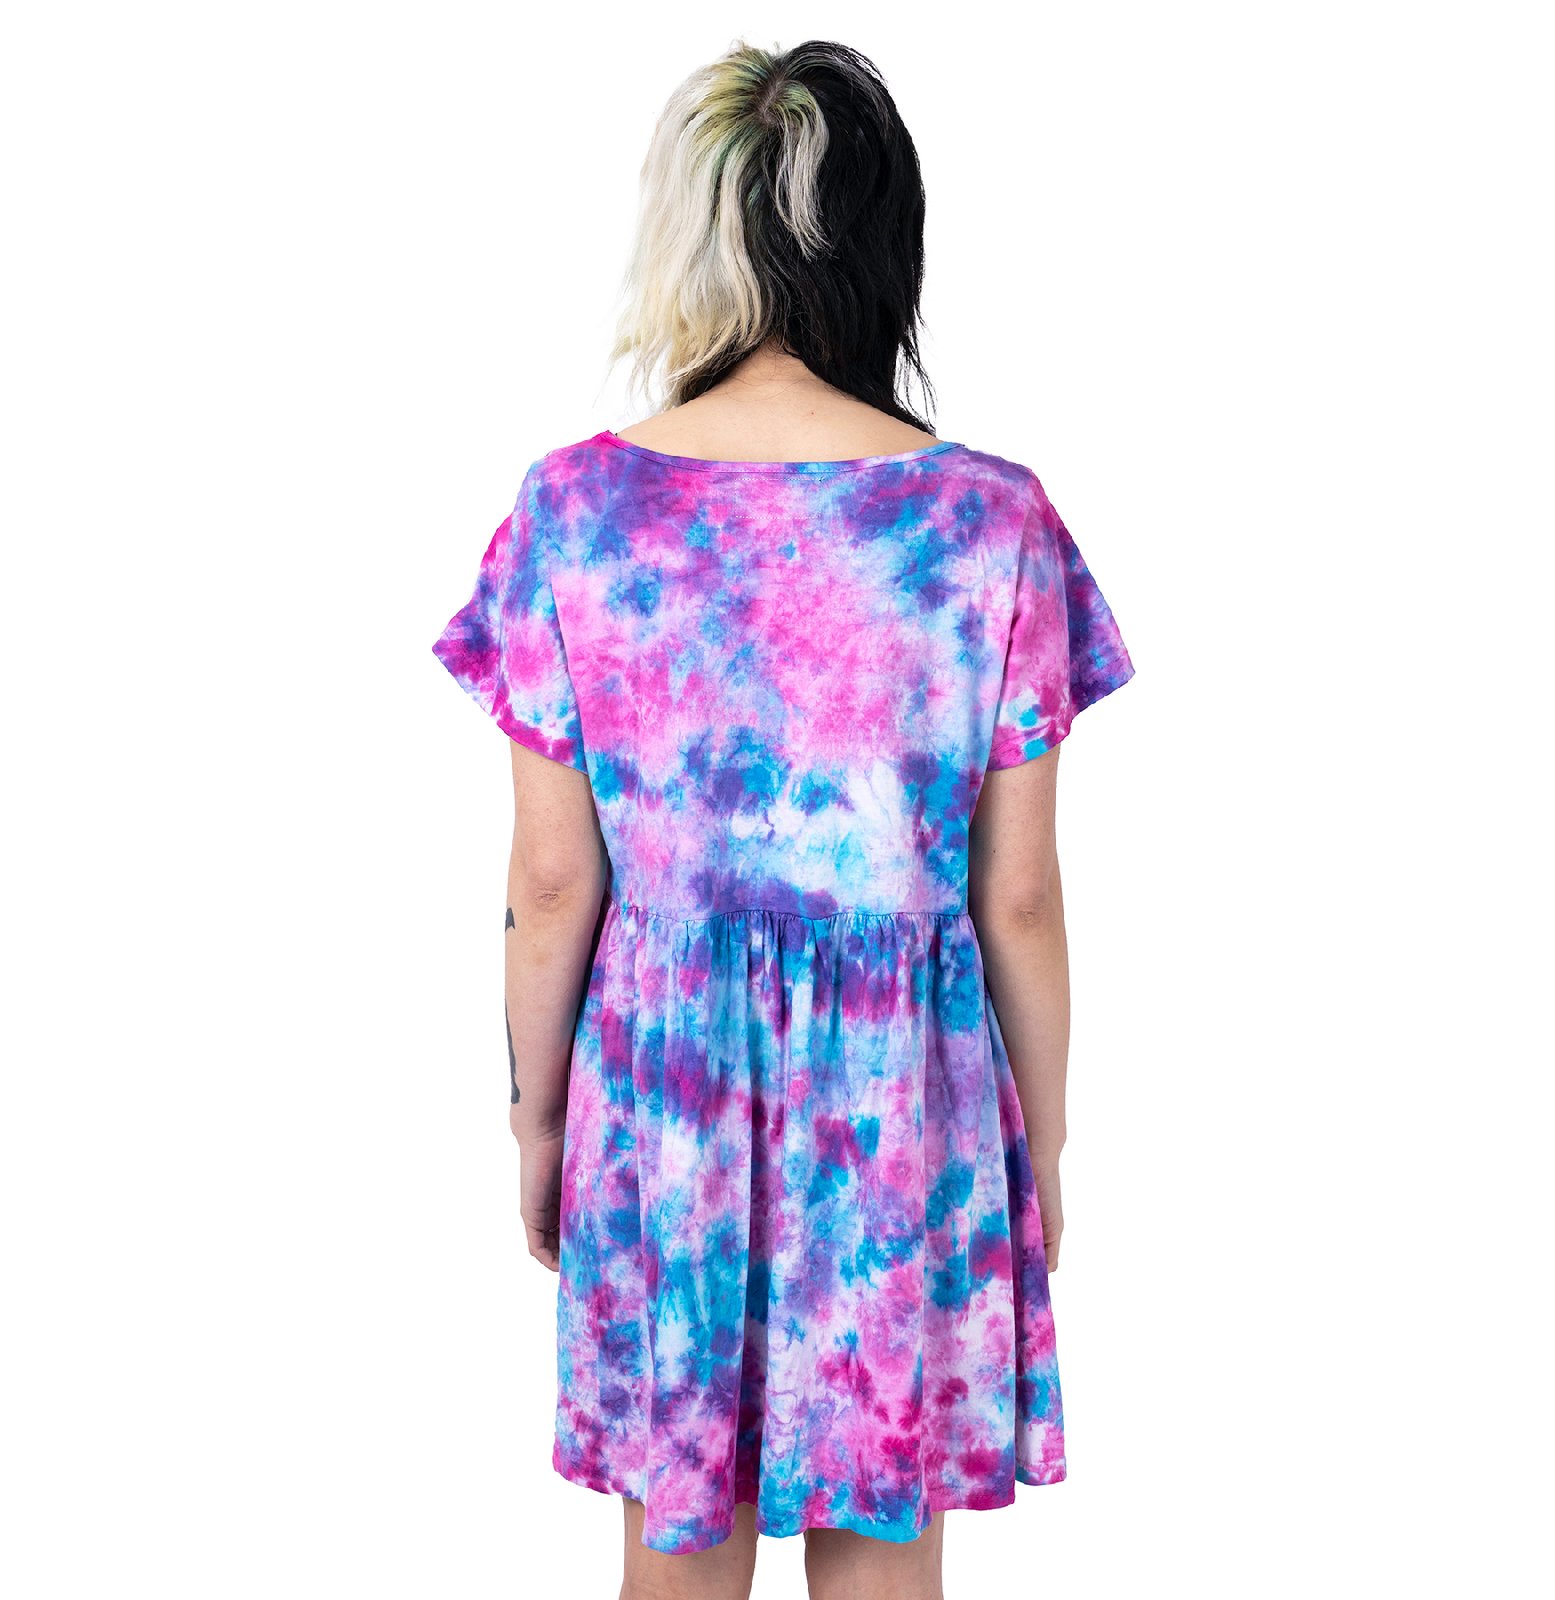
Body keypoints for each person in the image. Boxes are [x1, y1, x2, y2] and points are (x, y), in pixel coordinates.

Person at [431, 38, 1135, 1600]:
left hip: (663, 1091)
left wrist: (541, 1118)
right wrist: (1039, 1140)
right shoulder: (989, 518)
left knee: (677, 1554)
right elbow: (1019, 897)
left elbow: (553, 880)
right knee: (882, 1556)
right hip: (905, 1104)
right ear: (886, 240)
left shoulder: (576, 511)